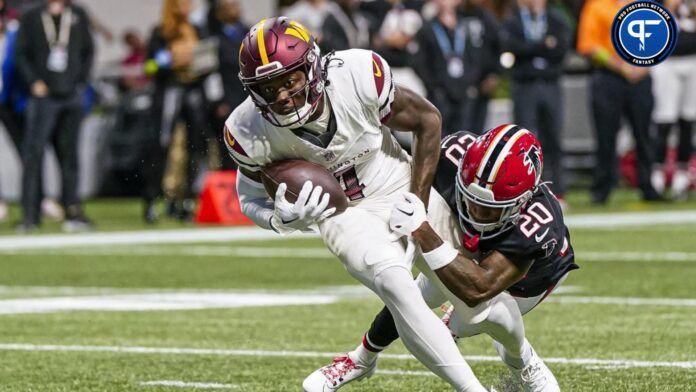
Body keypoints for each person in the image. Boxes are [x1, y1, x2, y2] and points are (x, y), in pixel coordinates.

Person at [228, 17, 489, 392]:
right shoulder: (247, 129)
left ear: (313, 68)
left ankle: (523, 361)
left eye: (289, 81)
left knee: (477, 299)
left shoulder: (357, 74)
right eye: (268, 88)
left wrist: (416, 199)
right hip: (343, 213)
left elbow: (428, 121)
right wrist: (280, 219)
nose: (282, 96)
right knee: (396, 285)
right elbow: (248, 199)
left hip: (395, 179)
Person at [306, 125, 578, 392]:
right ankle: (360, 359)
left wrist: (423, 230)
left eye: (489, 210)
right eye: (470, 199)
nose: (475, 211)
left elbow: (479, 288)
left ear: (522, 202)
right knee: (409, 294)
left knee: (490, 314)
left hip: (531, 278)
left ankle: (524, 362)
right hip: (464, 251)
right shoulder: (451, 153)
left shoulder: (540, 221)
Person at [14, 0, 95, 232]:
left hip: (71, 95)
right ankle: (30, 214)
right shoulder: (31, 16)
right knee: (33, 155)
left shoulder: (77, 14)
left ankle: (72, 210)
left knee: (69, 156)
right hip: (44, 96)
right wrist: (33, 82)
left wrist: (80, 83)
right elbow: (21, 53)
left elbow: (88, 51)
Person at [576, 0, 660, 204]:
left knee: (644, 133)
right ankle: (602, 187)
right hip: (608, 77)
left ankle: (647, 185)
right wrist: (621, 67)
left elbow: (659, 38)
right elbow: (589, 46)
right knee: (605, 135)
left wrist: (645, 65)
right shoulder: (597, 6)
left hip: (640, 76)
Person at [501, 0, 570, 203]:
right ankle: (522, 191)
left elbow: (561, 48)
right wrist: (542, 45)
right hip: (525, 85)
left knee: (554, 138)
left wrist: (528, 50)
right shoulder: (513, 22)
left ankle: (558, 190)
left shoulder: (556, 20)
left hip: (550, 84)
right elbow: (510, 48)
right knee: (524, 141)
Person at [650, 0, 696, 200]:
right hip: (666, 63)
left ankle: (682, 173)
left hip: (692, 62)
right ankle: (658, 172)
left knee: (687, 120)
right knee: (664, 120)